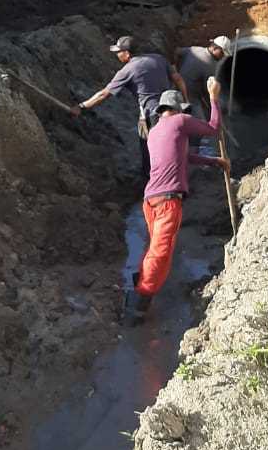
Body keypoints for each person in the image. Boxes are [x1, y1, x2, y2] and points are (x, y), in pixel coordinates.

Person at [130, 78, 229, 320]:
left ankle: (141, 286)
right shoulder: (180, 121)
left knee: (155, 249)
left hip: (150, 200)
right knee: (160, 252)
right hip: (167, 202)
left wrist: (214, 162)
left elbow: (182, 158)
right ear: (177, 110)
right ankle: (138, 302)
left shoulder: (155, 132)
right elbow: (213, 129)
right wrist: (214, 97)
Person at [72, 35, 188, 181]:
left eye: (118, 52)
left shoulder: (128, 70)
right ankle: (177, 178)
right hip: (172, 110)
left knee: (150, 152)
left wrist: (81, 106)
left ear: (127, 53)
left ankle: (153, 182)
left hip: (151, 115)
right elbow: (177, 78)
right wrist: (185, 100)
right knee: (171, 147)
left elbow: (103, 94)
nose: (117, 55)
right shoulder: (158, 59)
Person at [175, 36, 233, 121]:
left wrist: (176, 70)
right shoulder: (211, 66)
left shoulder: (195, 49)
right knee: (202, 122)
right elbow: (209, 91)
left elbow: (177, 51)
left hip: (175, 90)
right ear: (215, 48)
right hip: (191, 98)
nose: (223, 56)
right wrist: (215, 107)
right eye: (222, 53)